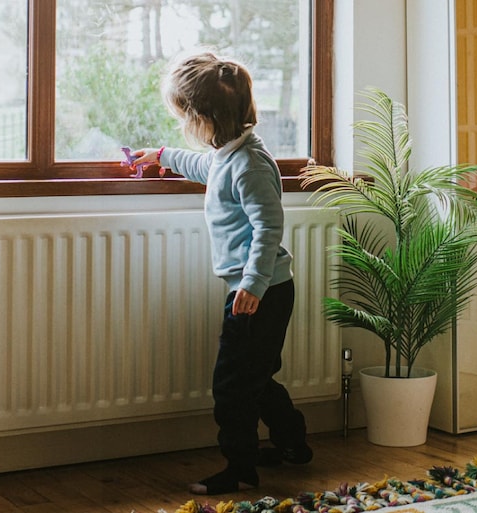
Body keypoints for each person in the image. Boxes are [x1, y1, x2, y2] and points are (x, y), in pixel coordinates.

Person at [126, 52, 312, 496]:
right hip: (262, 288)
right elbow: (206, 168)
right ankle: (294, 444)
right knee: (257, 377)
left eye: (184, 117)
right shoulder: (232, 154)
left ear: (205, 118)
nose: (184, 126)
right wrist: (165, 157)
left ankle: (240, 469)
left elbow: (269, 226)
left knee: (231, 385)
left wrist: (251, 284)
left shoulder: (249, 164)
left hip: (260, 291)